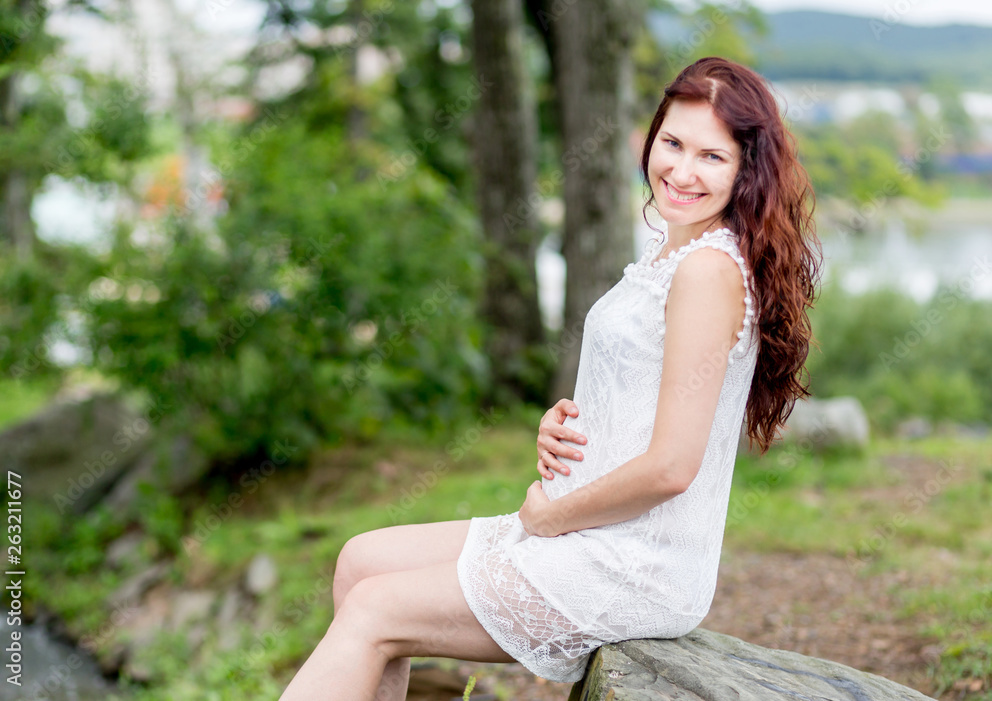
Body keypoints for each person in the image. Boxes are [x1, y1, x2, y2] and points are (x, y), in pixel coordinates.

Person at [277, 56, 823, 700]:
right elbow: (645, 388)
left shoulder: (708, 270)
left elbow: (674, 466)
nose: (680, 170)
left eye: (711, 156)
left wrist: (552, 517)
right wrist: (572, 419)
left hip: (634, 562)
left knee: (374, 610)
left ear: (745, 170)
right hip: (592, 528)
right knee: (360, 561)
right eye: (672, 143)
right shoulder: (676, 247)